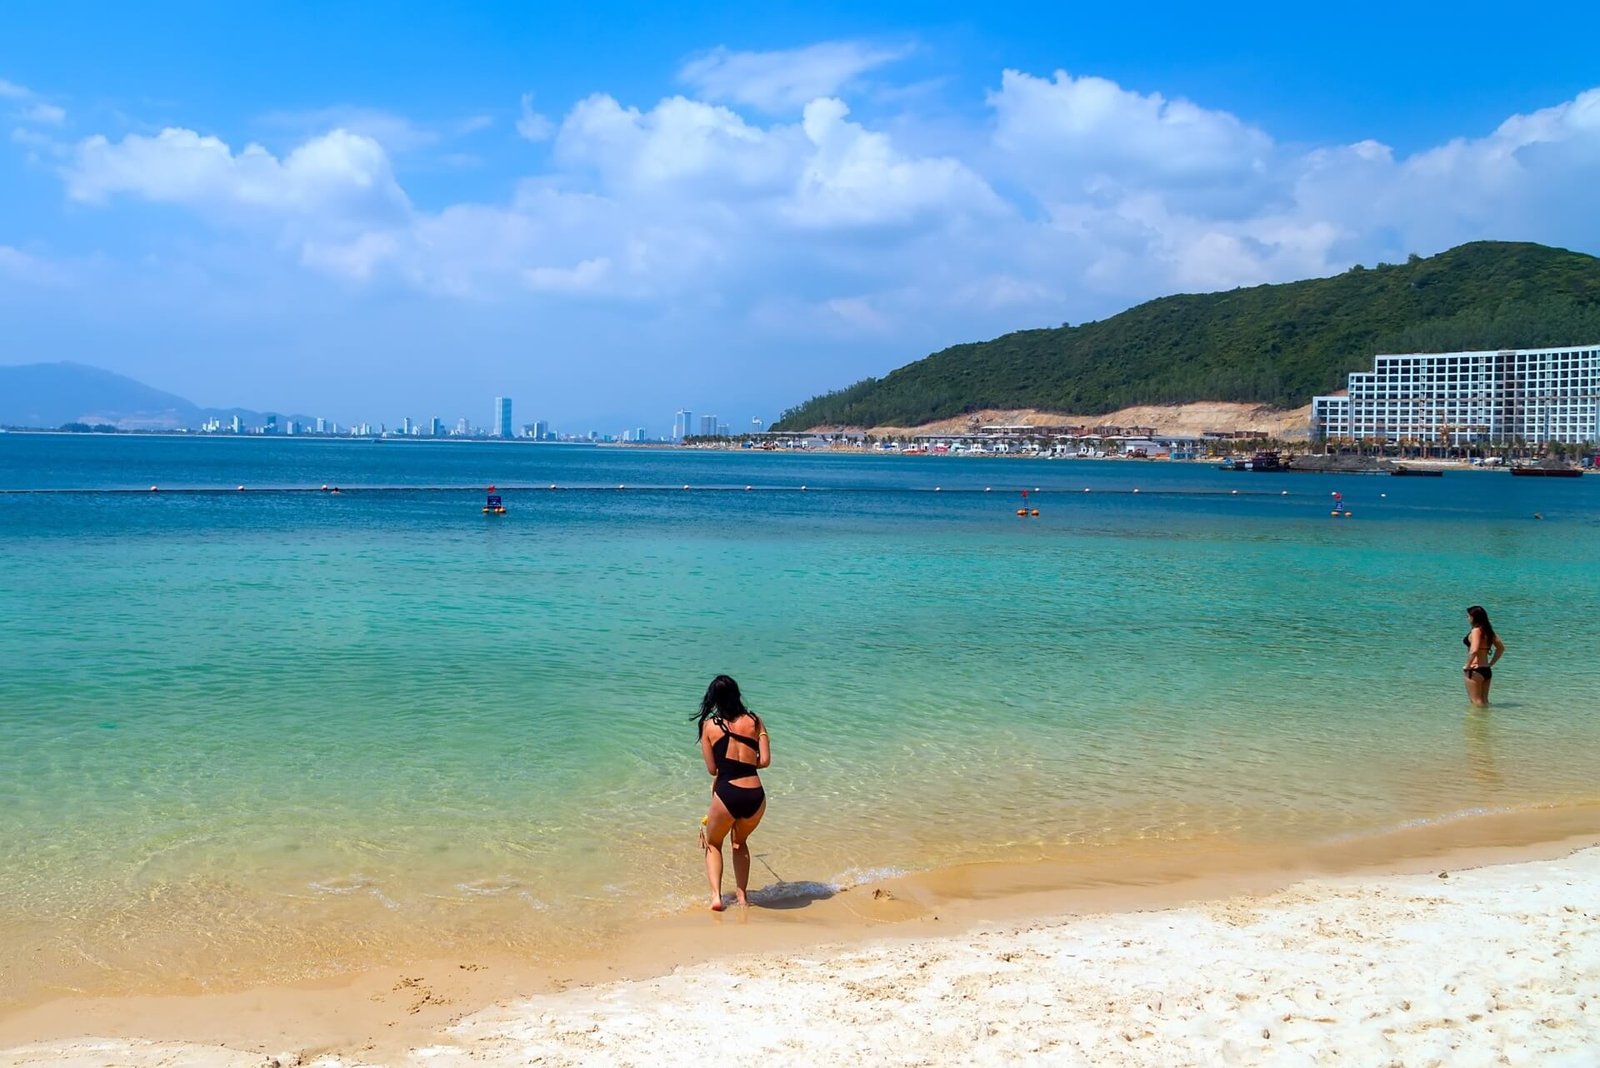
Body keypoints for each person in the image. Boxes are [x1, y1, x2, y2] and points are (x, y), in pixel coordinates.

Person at [694, 675, 771, 911]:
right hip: (755, 795)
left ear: (713, 698)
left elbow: (712, 769)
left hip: (727, 792)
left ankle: (716, 898)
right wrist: (745, 763)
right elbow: (765, 761)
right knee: (739, 843)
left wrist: (729, 767)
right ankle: (742, 898)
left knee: (714, 844)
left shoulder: (709, 726)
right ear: (737, 694)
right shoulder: (755, 720)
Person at [1463, 605, 1506, 707]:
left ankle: (1477, 718)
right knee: (1485, 702)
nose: (1467, 618)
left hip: (1475, 670)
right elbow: (1501, 648)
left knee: (1476, 703)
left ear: (1474, 617)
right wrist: (1490, 664)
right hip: (1486, 670)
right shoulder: (1488, 631)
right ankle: (1486, 717)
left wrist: (1467, 666)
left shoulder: (1476, 630)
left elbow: (1474, 650)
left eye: (1468, 616)